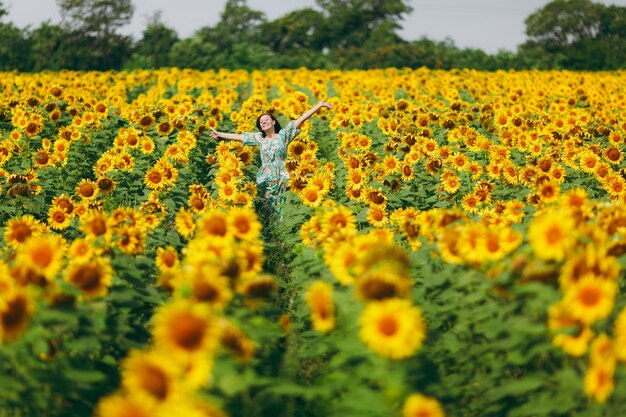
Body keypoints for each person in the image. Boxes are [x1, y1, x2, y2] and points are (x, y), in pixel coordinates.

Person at [211, 100, 333, 223]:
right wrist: (219, 134)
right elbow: (240, 137)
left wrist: (319, 105)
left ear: (273, 122)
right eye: (261, 122)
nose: (263, 122)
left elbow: (301, 120)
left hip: (282, 176)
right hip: (265, 177)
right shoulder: (260, 138)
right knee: (264, 206)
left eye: (266, 119)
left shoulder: (283, 135)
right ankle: (267, 232)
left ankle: (281, 231)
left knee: (282, 204)